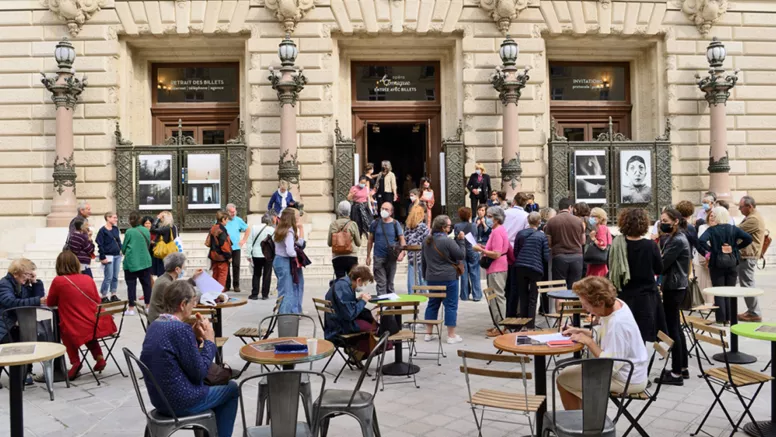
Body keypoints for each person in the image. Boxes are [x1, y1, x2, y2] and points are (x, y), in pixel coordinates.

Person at [140, 280, 239, 437]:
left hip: (159, 399)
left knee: (215, 386)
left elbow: (181, 357)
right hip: (180, 401)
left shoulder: (155, 325)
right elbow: (199, 372)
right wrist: (209, 342)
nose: (194, 306)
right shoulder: (179, 329)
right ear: (183, 304)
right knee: (232, 389)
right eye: (193, 302)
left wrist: (195, 337)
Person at [557, 277, 649, 410]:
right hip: (630, 371)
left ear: (599, 303)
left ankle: (581, 424)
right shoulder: (616, 304)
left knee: (563, 379)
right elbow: (605, 334)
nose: (584, 309)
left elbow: (610, 366)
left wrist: (588, 342)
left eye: (586, 305)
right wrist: (580, 331)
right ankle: (583, 420)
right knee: (568, 374)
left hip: (628, 379)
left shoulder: (617, 324)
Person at [46, 251, 116, 380]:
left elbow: (50, 302)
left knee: (66, 330)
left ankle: (75, 362)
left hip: (77, 326)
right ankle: (99, 357)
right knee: (86, 329)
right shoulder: (87, 278)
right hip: (96, 323)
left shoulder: (59, 281)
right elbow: (97, 299)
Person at [608, 208, 663, 343]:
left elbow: (610, 267)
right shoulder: (650, 245)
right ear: (644, 225)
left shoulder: (617, 245)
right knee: (641, 336)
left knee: (624, 335)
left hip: (623, 295)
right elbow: (659, 269)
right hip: (645, 296)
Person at [654, 208, 692, 385]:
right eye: (661, 220)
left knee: (673, 328)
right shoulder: (676, 238)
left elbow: (662, 265)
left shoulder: (677, 240)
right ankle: (682, 367)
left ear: (675, 221)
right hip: (676, 285)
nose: (662, 223)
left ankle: (676, 372)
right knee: (676, 326)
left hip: (674, 286)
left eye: (665, 220)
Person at [699, 206, 752, 325]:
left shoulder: (712, 230)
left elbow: (701, 241)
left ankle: (721, 318)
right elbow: (748, 238)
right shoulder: (733, 229)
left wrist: (711, 250)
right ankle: (731, 318)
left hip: (717, 262)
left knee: (719, 290)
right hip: (732, 262)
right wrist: (736, 248)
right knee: (730, 291)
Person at [421, 215, 466, 344]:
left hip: (432, 277)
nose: (450, 228)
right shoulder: (448, 241)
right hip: (448, 277)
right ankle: (451, 335)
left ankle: (428, 334)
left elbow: (424, 261)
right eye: (448, 226)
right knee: (451, 305)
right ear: (443, 228)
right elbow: (460, 255)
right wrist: (461, 241)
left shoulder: (426, 241)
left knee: (432, 304)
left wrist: (425, 275)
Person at [0, 258, 45, 385]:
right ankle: (22, 374)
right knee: (23, 341)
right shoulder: (4, 284)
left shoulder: (21, 284)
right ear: (15, 273)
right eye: (26, 274)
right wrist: (37, 300)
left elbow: (37, 298)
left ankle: (25, 373)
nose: (28, 277)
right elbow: (11, 302)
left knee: (29, 337)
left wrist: (35, 282)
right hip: (4, 327)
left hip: (17, 325)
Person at [324, 266, 376, 357]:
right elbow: (350, 314)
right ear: (359, 280)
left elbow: (344, 306)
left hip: (333, 324)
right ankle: (358, 353)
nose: (364, 286)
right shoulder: (345, 288)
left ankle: (356, 351)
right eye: (364, 283)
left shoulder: (342, 283)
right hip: (339, 328)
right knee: (374, 327)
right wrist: (363, 301)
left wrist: (357, 300)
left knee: (370, 322)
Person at [474, 207, 509, 337]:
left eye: (489, 216)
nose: (486, 219)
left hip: (497, 267)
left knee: (497, 296)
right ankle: (498, 323)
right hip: (496, 267)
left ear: (496, 218)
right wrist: (483, 247)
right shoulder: (497, 230)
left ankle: (501, 325)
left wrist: (481, 250)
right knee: (494, 296)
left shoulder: (497, 232)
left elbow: (496, 253)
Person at [147, 252, 207, 323]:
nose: (183, 270)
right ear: (177, 269)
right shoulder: (166, 283)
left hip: (158, 320)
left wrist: (193, 279)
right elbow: (179, 296)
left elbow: (179, 289)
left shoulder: (163, 279)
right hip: (161, 322)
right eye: (183, 268)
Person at [513, 212, 549, 327]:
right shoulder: (541, 236)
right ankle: (530, 325)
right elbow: (545, 256)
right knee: (533, 297)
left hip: (520, 267)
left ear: (528, 221)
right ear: (539, 222)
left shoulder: (520, 234)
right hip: (536, 269)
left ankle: (523, 321)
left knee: (523, 295)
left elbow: (516, 251)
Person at [544, 198, 585, 289]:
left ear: (559, 208)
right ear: (570, 207)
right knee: (575, 289)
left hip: (559, 257)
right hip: (576, 257)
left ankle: (559, 303)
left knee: (559, 288)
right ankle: (573, 303)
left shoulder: (551, 221)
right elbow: (583, 241)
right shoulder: (578, 221)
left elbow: (549, 243)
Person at [737, 196, 766, 322]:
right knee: (746, 283)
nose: (739, 209)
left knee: (748, 284)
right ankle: (752, 311)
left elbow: (737, 231)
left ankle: (754, 313)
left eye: (741, 207)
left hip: (747, 256)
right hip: (746, 255)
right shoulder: (752, 217)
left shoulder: (753, 219)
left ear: (749, 206)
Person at [366, 202, 406, 295]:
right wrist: (368, 256)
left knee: (390, 283)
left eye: (386, 209)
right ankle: (382, 306)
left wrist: (402, 252)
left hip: (391, 257)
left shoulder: (395, 224)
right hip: (378, 257)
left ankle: (390, 306)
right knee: (381, 283)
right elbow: (370, 240)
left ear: (391, 212)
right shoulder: (375, 223)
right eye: (382, 208)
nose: (383, 211)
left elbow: (402, 240)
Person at [273, 208, 305, 314]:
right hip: (284, 261)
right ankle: (285, 318)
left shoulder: (280, 229)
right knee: (288, 292)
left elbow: (299, 242)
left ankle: (282, 313)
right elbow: (290, 251)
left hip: (277, 260)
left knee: (283, 290)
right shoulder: (289, 231)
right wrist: (297, 255)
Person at [503, 192, 530, 318]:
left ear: (514, 201)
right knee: (515, 282)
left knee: (505, 282)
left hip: (503, 249)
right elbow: (526, 234)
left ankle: (506, 308)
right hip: (517, 251)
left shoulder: (505, 213)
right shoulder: (526, 216)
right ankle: (513, 310)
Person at [122, 211, 153, 316]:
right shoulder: (146, 230)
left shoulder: (129, 232)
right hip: (145, 261)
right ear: (140, 219)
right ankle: (148, 306)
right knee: (147, 285)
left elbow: (124, 247)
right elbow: (148, 243)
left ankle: (131, 308)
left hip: (131, 263)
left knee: (131, 285)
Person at [328, 201, 362, 279]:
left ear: (338, 211)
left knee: (340, 281)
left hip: (337, 257)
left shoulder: (333, 224)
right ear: (349, 211)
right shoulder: (353, 224)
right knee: (352, 281)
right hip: (351, 257)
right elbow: (358, 243)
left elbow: (329, 243)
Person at [454, 207, 482, 302]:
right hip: (472, 250)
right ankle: (477, 295)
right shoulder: (474, 225)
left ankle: (464, 295)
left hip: (461, 250)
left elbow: (456, 238)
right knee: (475, 273)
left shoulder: (457, 226)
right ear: (469, 215)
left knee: (464, 274)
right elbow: (476, 237)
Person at [247, 212, 275, 300]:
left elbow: (249, 242)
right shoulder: (272, 230)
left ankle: (254, 294)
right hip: (268, 255)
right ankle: (265, 294)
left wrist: (248, 254)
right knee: (267, 274)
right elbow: (274, 243)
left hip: (256, 254)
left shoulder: (254, 228)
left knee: (256, 274)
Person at [96, 212, 122, 303]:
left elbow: (118, 240)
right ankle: (104, 295)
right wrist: (102, 257)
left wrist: (121, 249)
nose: (116, 219)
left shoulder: (115, 229)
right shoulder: (102, 230)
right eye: (114, 218)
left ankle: (113, 294)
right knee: (108, 276)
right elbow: (100, 244)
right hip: (108, 256)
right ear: (108, 218)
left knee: (115, 276)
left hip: (117, 255)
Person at [404, 205, 429, 293]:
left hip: (411, 252)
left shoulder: (408, 226)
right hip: (422, 253)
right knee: (423, 273)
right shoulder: (423, 227)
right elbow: (427, 240)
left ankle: (411, 292)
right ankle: (424, 292)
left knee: (411, 272)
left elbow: (406, 238)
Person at [224, 204, 248, 292]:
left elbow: (247, 229)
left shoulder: (238, 220)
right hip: (225, 247)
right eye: (231, 212)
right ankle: (227, 285)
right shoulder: (223, 220)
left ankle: (236, 285)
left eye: (234, 212)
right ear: (227, 212)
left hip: (236, 247)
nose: (233, 213)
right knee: (226, 266)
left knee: (236, 266)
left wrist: (243, 240)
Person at [205, 211, 232, 290]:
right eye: (227, 219)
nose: (227, 221)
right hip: (222, 257)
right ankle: (219, 295)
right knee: (222, 276)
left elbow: (208, 242)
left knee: (215, 275)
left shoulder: (213, 227)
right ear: (223, 219)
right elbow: (224, 245)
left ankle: (213, 294)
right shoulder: (222, 230)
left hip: (213, 255)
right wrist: (229, 256)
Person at [150, 211, 178, 280]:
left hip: (163, 253)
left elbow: (152, 229)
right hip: (169, 252)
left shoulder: (166, 228)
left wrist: (157, 219)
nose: (160, 218)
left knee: (162, 274)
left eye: (162, 217)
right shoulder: (173, 227)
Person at [586, 207, 612, 277]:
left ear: (599, 218)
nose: (590, 218)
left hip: (597, 264)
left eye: (592, 216)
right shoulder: (603, 228)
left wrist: (593, 238)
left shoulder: (601, 228)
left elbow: (603, 245)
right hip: (599, 262)